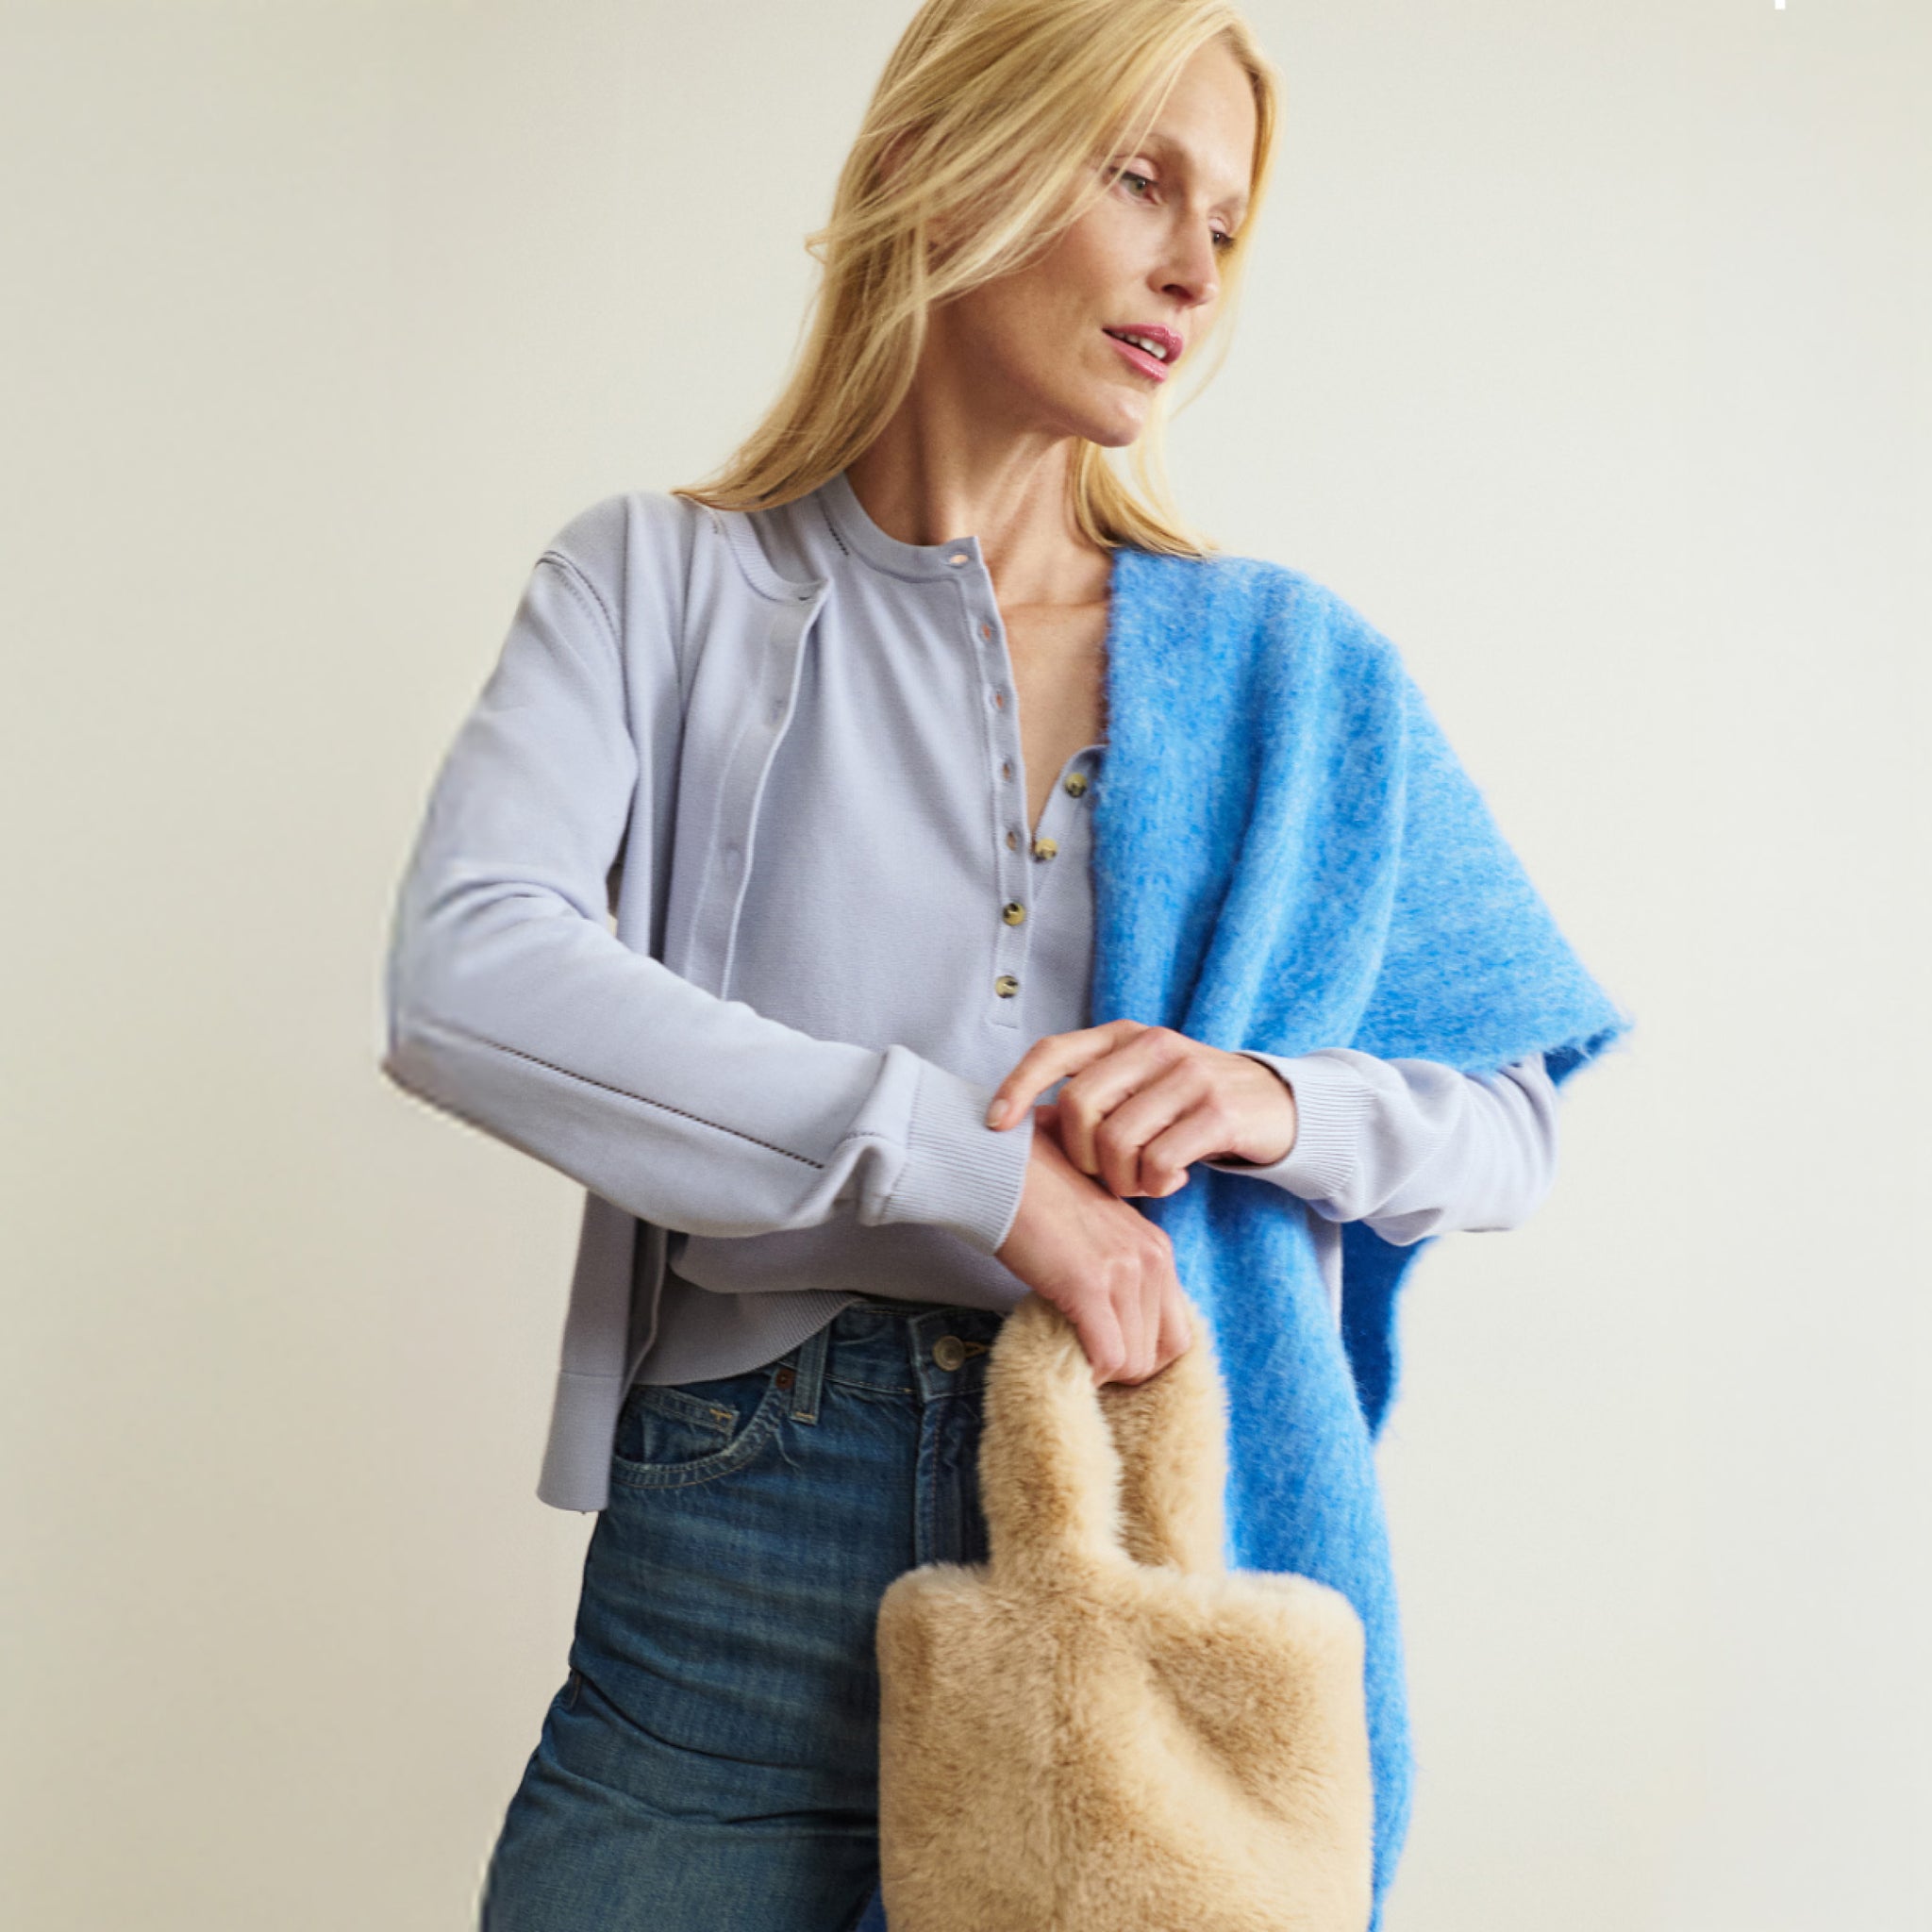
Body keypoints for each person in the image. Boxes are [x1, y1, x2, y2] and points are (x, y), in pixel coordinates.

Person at [379, 3, 1586, 1926]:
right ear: (952, 162)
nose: (1195, 263)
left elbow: (1508, 1122)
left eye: (1229, 219)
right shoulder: (657, 586)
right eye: (1139, 178)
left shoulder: (1291, 666)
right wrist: (975, 1171)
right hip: (748, 1511)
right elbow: (470, 973)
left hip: (1145, 1506)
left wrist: (1276, 1098)